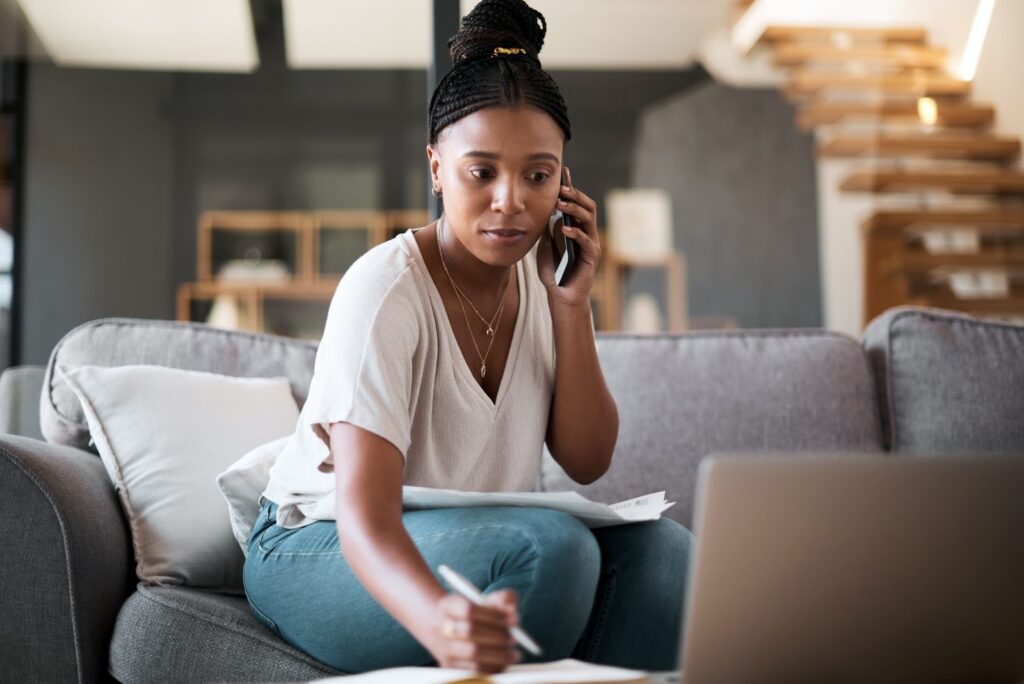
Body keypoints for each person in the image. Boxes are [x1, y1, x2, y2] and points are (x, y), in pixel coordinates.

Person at [242, 0, 692, 674]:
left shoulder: (549, 280)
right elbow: (365, 518)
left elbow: (589, 457)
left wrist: (571, 306)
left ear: (564, 182)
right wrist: (434, 618)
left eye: (537, 176)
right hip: (318, 543)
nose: (510, 200)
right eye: (481, 173)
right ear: (436, 169)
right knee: (552, 551)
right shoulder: (386, 290)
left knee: (664, 554)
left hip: (460, 538)